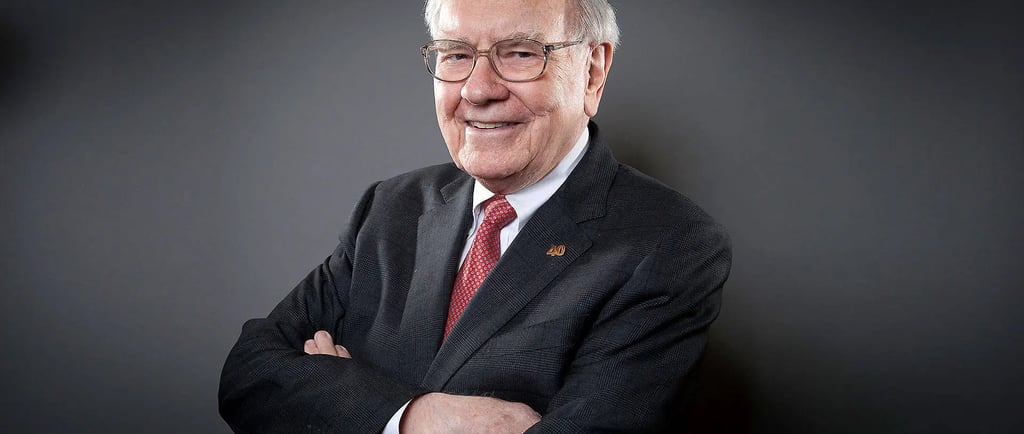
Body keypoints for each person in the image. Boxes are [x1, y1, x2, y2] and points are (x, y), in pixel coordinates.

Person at [218, 0, 732, 432]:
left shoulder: (667, 242)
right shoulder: (391, 207)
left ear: (593, 72)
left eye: (521, 53)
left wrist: (337, 397)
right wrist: (418, 417)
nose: (478, 89)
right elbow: (248, 376)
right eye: (456, 54)